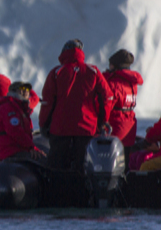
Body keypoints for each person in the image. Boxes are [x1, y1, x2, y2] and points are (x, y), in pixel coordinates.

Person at [38, 39, 112, 171]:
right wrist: (102, 121)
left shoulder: (56, 73)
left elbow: (47, 103)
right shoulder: (93, 71)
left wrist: (44, 124)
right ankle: (81, 191)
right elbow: (107, 97)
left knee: (57, 169)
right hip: (87, 128)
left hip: (60, 129)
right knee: (83, 168)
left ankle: (58, 191)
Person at [0, 81, 46, 162]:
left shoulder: (20, 107)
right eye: (22, 88)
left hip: (17, 150)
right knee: (42, 160)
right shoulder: (8, 107)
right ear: (13, 92)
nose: (25, 91)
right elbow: (15, 131)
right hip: (8, 152)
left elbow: (34, 98)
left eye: (27, 89)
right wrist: (31, 147)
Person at [103, 49, 143, 152]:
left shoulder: (113, 83)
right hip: (129, 129)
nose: (109, 67)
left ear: (116, 66)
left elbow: (106, 106)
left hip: (115, 129)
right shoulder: (132, 83)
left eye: (111, 65)